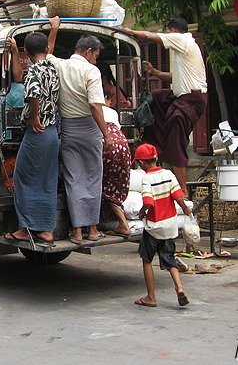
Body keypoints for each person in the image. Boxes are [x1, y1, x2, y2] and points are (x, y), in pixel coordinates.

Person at [122, 17, 208, 196]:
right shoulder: (183, 52)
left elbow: (150, 36)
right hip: (181, 96)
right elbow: (175, 78)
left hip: (190, 100)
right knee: (156, 97)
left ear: (173, 30)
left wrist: (128, 32)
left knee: (176, 130)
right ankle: (155, 143)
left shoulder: (183, 39)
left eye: (169, 32)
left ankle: (182, 189)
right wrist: (154, 72)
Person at [46, 16, 113, 244]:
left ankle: (76, 231)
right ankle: (92, 229)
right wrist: (106, 134)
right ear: (89, 51)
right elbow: (95, 105)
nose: (96, 60)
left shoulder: (61, 65)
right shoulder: (91, 72)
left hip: (68, 129)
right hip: (88, 128)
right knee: (92, 177)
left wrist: (54, 29)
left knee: (74, 179)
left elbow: (47, 54)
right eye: (96, 55)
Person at [4, 34, 60, 246]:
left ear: (27, 52)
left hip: (37, 132)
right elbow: (20, 77)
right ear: (46, 48)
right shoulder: (53, 67)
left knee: (23, 177)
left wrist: (34, 116)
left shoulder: (35, 70)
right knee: (46, 181)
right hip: (52, 132)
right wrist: (15, 51)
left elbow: (34, 92)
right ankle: (45, 230)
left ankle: (25, 228)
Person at [133, 143, 192, 308]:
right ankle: (179, 288)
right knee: (169, 259)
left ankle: (151, 297)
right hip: (170, 225)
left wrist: (142, 212)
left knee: (147, 260)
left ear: (143, 163)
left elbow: (148, 202)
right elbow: (178, 196)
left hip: (154, 226)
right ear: (156, 158)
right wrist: (186, 209)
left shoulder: (146, 178)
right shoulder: (168, 174)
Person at [100, 95, 133, 238]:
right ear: (106, 99)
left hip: (106, 144)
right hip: (122, 146)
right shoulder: (112, 112)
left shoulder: (93, 109)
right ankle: (121, 222)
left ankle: (123, 224)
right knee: (117, 185)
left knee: (103, 185)